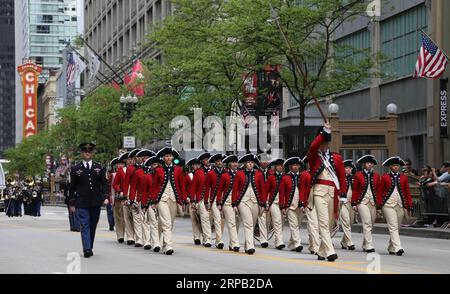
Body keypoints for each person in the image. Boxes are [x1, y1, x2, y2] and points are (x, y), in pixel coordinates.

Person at [307, 122, 346, 262]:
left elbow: (342, 177)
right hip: (318, 191)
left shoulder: (337, 158)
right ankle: (330, 251)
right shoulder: (314, 157)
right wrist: (323, 132)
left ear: (329, 144)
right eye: (321, 143)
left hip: (333, 192)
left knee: (329, 223)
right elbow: (312, 146)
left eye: (325, 143)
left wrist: (344, 195)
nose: (323, 145)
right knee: (323, 222)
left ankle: (322, 251)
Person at [68, 143, 109, 258]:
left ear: (92, 153)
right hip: (81, 202)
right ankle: (87, 249)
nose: (87, 153)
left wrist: (105, 197)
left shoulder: (99, 167)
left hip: (95, 201)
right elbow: (71, 186)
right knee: (85, 225)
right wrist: (72, 202)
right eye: (85, 151)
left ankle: (89, 245)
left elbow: (105, 184)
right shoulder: (76, 169)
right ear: (82, 153)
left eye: (89, 151)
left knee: (93, 224)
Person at [145, 147, 187, 255]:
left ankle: (164, 245)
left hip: (173, 198)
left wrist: (183, 200)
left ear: (173, 158)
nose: (169, 158)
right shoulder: (158, 170)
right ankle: (168, 245)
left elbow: (181, 186)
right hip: (161, 199)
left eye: (170, 156)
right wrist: (153, 201)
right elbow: (154, 187)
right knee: (166, 222)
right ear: (163, 158)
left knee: (170, 223)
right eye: (167, 156)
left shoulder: (178, 169)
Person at [378, 156, 413, 256]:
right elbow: (380, 192)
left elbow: (407, 192)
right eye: (394, 166)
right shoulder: (384, 177)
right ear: (390, 167)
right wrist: (379, 206)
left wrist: (409, 205)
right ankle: (398, 247)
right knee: (393, 226)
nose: (396, 167)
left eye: (397, 165)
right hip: (388, 205)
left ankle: (391, 247)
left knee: (397, 227)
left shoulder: (404, 178)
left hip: (400, 204)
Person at [232, 154, 266, 255]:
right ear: (245, 164)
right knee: (248, 223)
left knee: (253, 223)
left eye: (251, 163)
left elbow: (262, 189)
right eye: (248, 163)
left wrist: (263, 203)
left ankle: (247, 245)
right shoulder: (239, 173)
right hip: (243, 201)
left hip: (255, 201)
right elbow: (235, 189)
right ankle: (251, 246)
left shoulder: (259, 174)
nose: (250, 164)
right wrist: (234, 204)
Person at [279, 157, 311, 253]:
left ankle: (291, 244)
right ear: (290, 167)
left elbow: (305, 190)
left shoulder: (303, 176)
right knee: (294, 225)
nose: (296, 167)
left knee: (298, 224)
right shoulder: (285, 178)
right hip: (290, 205)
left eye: (297, 165)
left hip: (301, 204)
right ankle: (297, 244)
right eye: (294, 165)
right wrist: (282, 206)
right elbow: (282, 193)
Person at [351, 155, 381, 253]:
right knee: (367, 222)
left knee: (371, 224)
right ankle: (369, 245)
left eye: (371, 163)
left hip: (372, 202)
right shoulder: (358, 175)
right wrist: (354, 203)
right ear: (364, 165)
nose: (370, 165)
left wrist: (379, 205)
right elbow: (355, 190)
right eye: (368, 163)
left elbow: (378, 190)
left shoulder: (377, 176)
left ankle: (365, 243)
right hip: (362, 202)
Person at [216, 154, 240, 252]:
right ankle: (235, 244)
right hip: (227, 201)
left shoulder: (240, 174)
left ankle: (231, 243)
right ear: (229, 164)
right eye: (233, 162)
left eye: (236, 162)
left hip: (239, 200)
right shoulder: (225, 175)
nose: (235, 164)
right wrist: (218, 203)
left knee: (237, 223)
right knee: (231, 222)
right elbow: (220, 190)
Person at [205, 153, 227, 249]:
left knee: (222, 221)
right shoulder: (211, 173)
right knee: (217, 219)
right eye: (218, 161)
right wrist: (206, 201)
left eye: (221, 161)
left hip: (225, 199)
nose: (220, 163)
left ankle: (219, 237)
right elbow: (207, 188)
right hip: (214, 199)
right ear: (215, 163)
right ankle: (218, 241)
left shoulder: (226, 172)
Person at [113, 152, 135, 245]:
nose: (130, 161)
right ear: (126, 161)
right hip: (124, 195)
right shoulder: (121, 170)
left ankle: (134, 236)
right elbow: (115, 183)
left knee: (134, 216)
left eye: (132, 159)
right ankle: (123, 235)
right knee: (123, 216)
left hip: (135, 194)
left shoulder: (137, 169)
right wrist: (120, 190)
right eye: (128, 159)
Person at [141, 155, 161, 252]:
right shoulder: (147, 176)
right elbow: (144, 191)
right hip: (150, 202)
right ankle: (150, 242)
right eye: (153, 165)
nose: (155, 166)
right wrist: (144, 204)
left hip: (161, 201)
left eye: (157, 164)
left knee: (158, 223)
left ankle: (157, 241)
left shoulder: (163, 175)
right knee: (149, 222)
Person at [265, 158, 286, 250]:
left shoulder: (286, 177)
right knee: (276, 221)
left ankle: (278, 239)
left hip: (283, 203)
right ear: (275, 167)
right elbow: (266, 190)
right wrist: (265, 202)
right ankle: (279, 242)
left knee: (281, 223)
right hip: (273, 202)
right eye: (278, 165)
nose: (280, 167)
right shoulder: (271, 177)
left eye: (281, 165)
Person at [193, 152, 212, 247]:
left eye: (209, 159)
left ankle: (218, 239)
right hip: (201, 198)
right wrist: (193, 200)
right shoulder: (198, 172)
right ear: (202, 161)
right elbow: (194, 187)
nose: (208, 161)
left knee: (213, 219)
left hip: (214, 198)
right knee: (204, 219)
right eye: (206, 159)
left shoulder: (215, 171)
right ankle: (207, 239)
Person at [183, 158, 203, 245]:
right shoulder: (189, 176)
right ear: (192, 166)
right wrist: (186, 197)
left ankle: (204, 235)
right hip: (191, 198)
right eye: (195, 165)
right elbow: (184, 187)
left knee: (202, 218)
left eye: (198, 165)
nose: (197, 167)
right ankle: (196, 236)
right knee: (194, 219)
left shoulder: (203, 174)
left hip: (201, 198)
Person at [256, 153, 274, 248]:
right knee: (261, 218)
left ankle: (265, 235)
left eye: (266, 161)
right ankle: (263, 239)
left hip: (271, 198)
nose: (264, 163)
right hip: (259, 198)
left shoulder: (271, 172)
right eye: (262, 161)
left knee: (268, 220)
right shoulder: (256, 173)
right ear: (259, 162)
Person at [109, 157, 126, 243]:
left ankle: (126, 233)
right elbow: (111, 187)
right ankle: (120, 235)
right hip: (116, 198)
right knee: (118, 217)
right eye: (118, 164)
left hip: (125, 197)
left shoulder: (127, 172)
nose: (120, 166)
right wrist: (110, 199)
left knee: (125, 217)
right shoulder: (113, 175)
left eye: (122, 164)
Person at [340, 160, 356, 250]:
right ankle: (350, 242)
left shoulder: (354, 178)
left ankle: (343, 241)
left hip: (351, 203)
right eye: (346, 168)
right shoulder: (339, 178)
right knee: (346, 222)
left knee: (350, 223)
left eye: (350, 168)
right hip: (342, 203)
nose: (348, 170)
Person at [106, 158, 118, 231]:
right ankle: (111, 224)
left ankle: (112, 224)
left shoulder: (114, 176)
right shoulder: (108, 178)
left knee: (113, 211)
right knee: (110, 211)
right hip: (109, 195)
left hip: (113, 195)